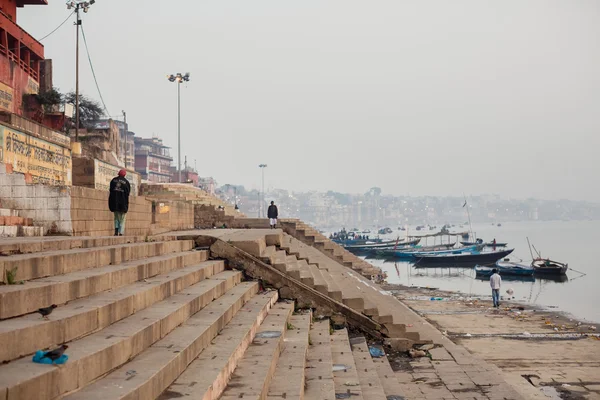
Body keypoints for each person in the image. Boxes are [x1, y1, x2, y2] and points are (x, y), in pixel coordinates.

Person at [108, 169, 131, 236]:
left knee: (116, 217)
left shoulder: (113, 180)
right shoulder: (126, 182)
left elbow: (111, 190)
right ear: (124, 175)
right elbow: (127, 193)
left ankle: (116, 232)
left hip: (114, 202)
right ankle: (121, 232)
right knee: (122, 218)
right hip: (123, 203)